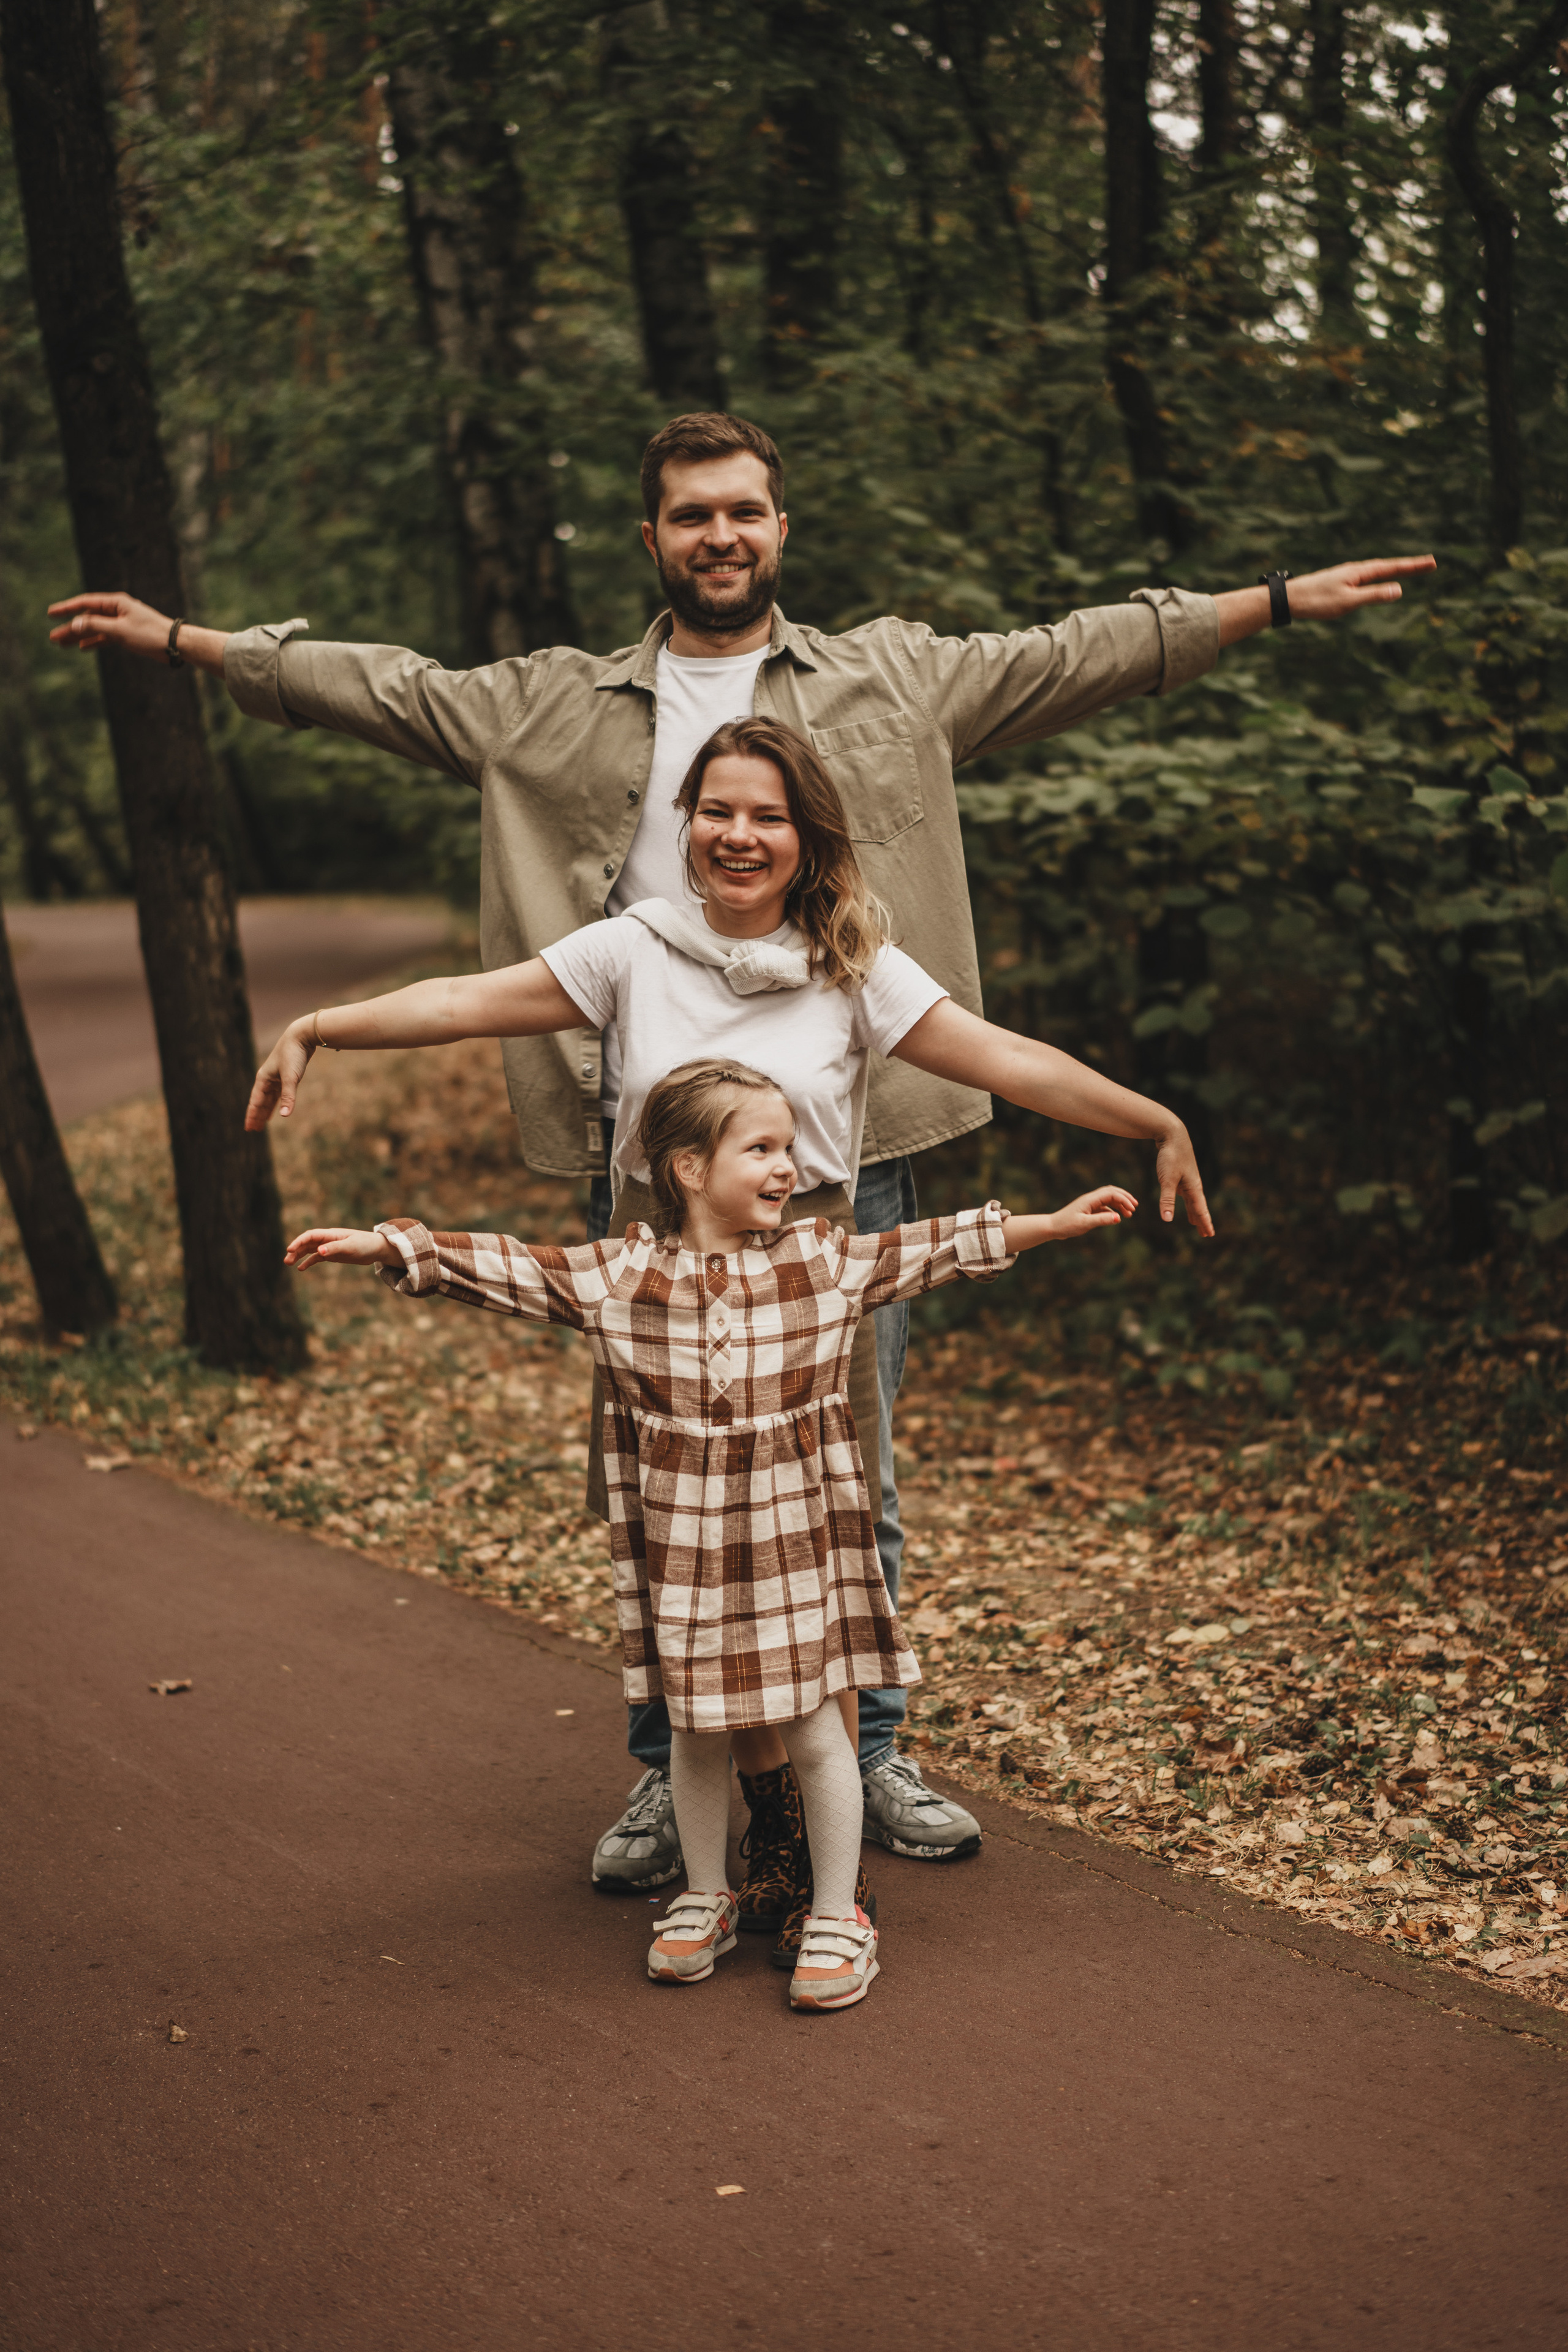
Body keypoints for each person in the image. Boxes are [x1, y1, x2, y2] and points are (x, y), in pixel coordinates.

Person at [49, 409, 1436, 1898]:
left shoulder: (888, 684)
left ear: (780, 527)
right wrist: (187, 643)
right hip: (658, 1179)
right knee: (661, 1480)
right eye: (692, 514)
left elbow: (1077, 655)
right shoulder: (555, 711)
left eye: (744, 511)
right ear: (652, 537)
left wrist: (1270, 601)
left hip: (842, 1166)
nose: (720, 535)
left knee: (848, 1475)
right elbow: (381, 690)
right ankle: (678, 1770)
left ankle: (867, 1749)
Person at [246, 712, 1205, 1963]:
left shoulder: (851, 964)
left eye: (768, 815)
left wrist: (1151, 1119)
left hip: (813, 1279)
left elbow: (1008, 1058)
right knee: (683, 1536)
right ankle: (715, 1810)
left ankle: (838, 1831)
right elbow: (467, 1000)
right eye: (716, 810)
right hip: (660, 1276)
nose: (739, 834)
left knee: (829, 1532)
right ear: (684, 823)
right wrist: (322, 1025)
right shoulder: (631, 948)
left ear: (807, 837)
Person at [279, 1055, 1139, 2011]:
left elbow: (927, 1248)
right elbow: (516, 1267)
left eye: (788, 1147)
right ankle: (704, 1894)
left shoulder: (819, 1262)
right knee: (695, 1729)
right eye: (760, 1149)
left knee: (816, 1729)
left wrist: (1049, 1223)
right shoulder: (625, 1276)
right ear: (689, 1169)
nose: (787, 1166)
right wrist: (390, 1246)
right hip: (685, 1552)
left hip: (794, 1544)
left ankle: (838, 1915)